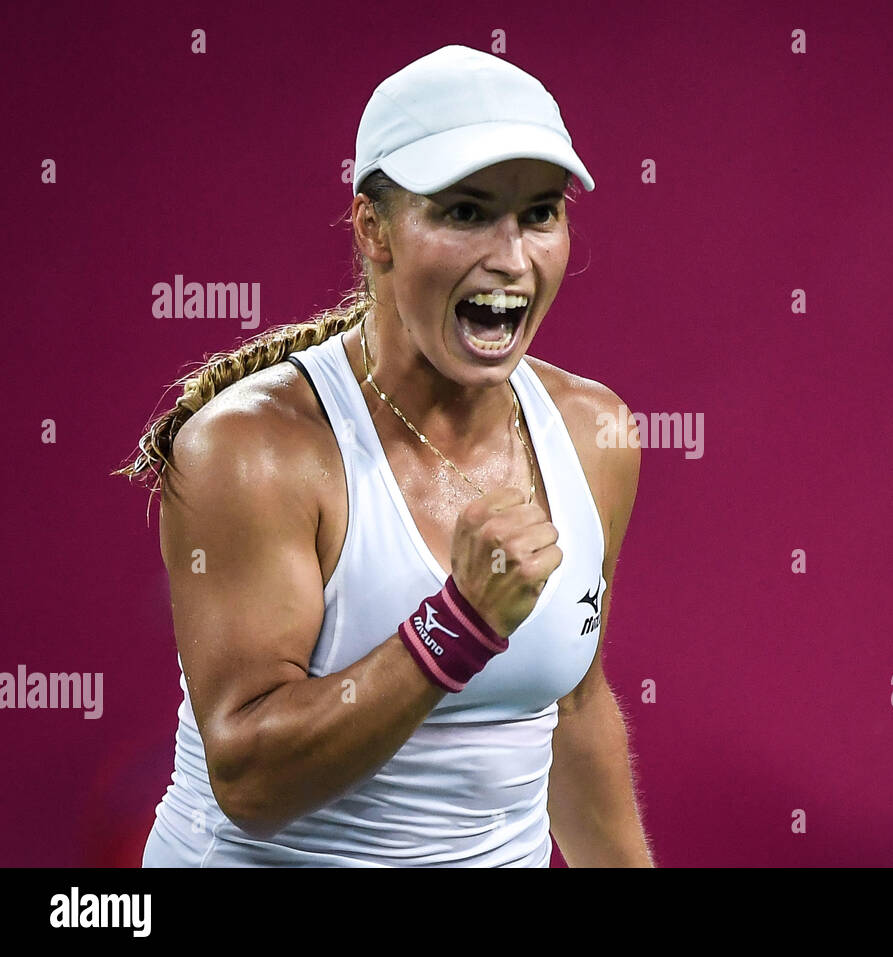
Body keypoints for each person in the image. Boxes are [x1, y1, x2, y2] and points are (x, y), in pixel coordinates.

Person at [113, 45, 653, 867]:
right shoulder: (253, 451)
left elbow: (574, 712)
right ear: (375, 230)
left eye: (540, 213)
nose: (512, 256)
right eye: (466, 212)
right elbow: (252, 780)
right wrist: (459, 626)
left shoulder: (595, 433)